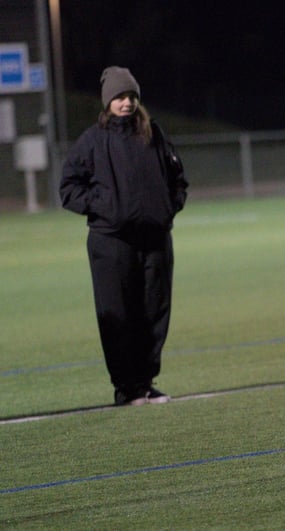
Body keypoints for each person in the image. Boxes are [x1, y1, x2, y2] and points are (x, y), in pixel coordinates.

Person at [60, 66, 188, 406]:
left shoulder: (154, 134)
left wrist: (169, 208)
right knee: (119, 315)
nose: (126, 102)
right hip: (111, 242)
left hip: (156, 239)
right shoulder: (92, 140)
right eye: (119, 97)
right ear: (108, 102)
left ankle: (145, 383)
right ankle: (126, 388)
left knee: (154, 312)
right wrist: (106, 208)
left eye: (131, 96)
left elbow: (178, 178)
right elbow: (69, 188)